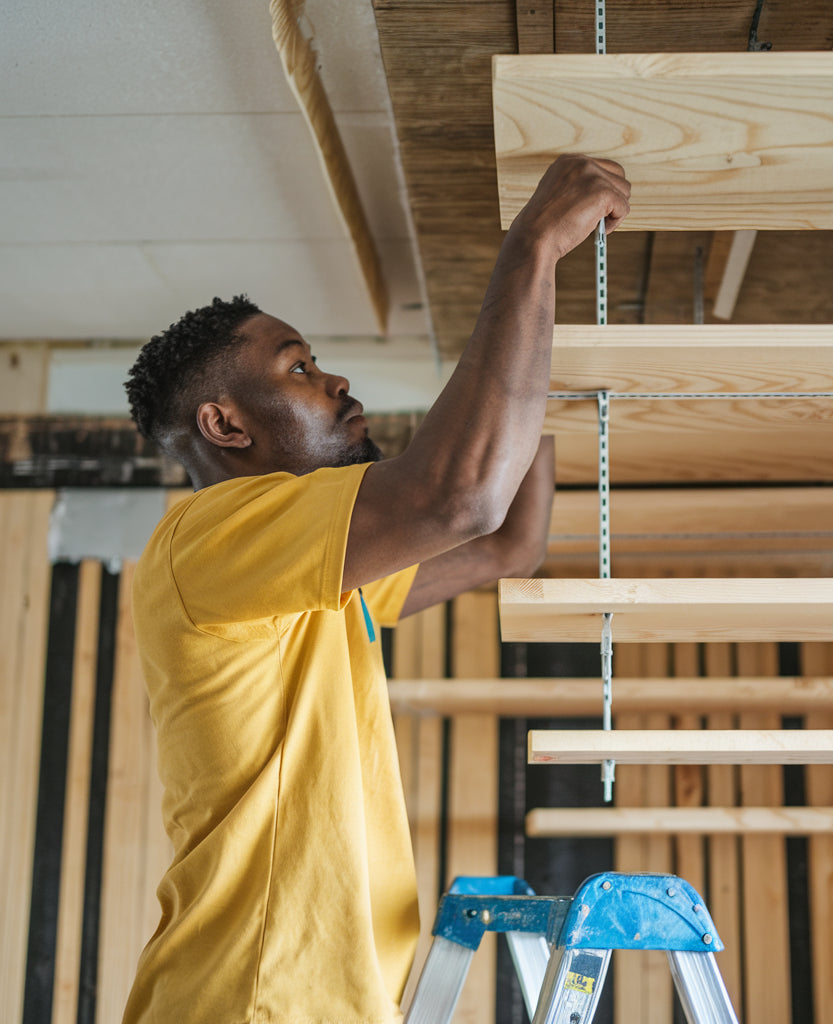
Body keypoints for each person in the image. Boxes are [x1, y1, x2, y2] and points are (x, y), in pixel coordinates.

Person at [120, 154, 630, 1024]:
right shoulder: (208, 539)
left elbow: (507, 540)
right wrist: (532, 248)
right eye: (297, 368)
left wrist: (545, 361)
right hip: (253, 1001)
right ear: (225, 423)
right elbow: (459, 496)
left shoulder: (306, 578)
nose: (335, 381)